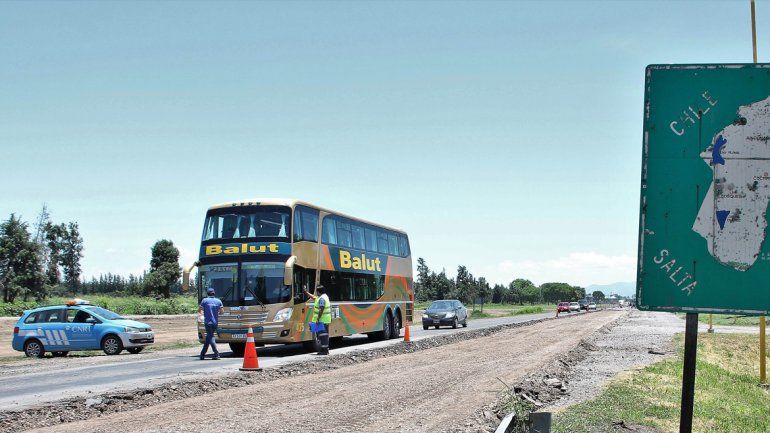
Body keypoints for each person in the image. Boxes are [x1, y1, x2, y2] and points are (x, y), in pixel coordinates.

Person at [304, 285, 332, 355]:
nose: (316, 293)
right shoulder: (323, 297)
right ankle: (324, 350)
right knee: (321, 336)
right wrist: (306, 292)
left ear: (319, 292)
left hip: (321, 321)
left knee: (322, 336)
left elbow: (321, 309)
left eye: (317, 292)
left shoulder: (322, 299)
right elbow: (314, 297)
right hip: (324, 320)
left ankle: (324, 351)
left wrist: (318, 319)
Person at [199, 287, 224, 360]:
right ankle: (203, 354)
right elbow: (222, 312)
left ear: (207, 293)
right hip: (215, 322)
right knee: (209, 337)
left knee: (210, 337)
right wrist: (216, 313)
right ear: (214, 293)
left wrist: (202, 315)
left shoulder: (204, 300)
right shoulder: (218, 301)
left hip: (207, 322)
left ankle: (215, 354)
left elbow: (199, 310)